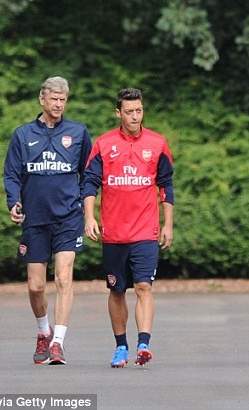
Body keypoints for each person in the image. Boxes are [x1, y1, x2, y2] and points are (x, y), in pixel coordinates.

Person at [3, 76, 92, 365]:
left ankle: (58, 343)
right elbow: (11, 174)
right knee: (35, 286)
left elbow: (88, 174)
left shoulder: (78, 132)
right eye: (54, 99)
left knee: (64, 277)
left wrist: (84, 205)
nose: (58, 104)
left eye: (63, 100)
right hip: (35, 218)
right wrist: (13, 202)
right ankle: (44, 331)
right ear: (42, 99)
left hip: (68, 218)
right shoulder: (22, 134)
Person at [83, 87, 174, 368]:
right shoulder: (103, 144)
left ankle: (143, 344)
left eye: (139, 111)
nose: (135, 116)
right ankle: (121, 346)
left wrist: (168, 224)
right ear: (118, 113)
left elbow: (166, 186)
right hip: (114, 232)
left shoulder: (157, 144)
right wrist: (89, 217)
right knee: (117, 290)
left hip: (145, 230)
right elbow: (90, 183)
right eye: (130, 112)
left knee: (144, 286)